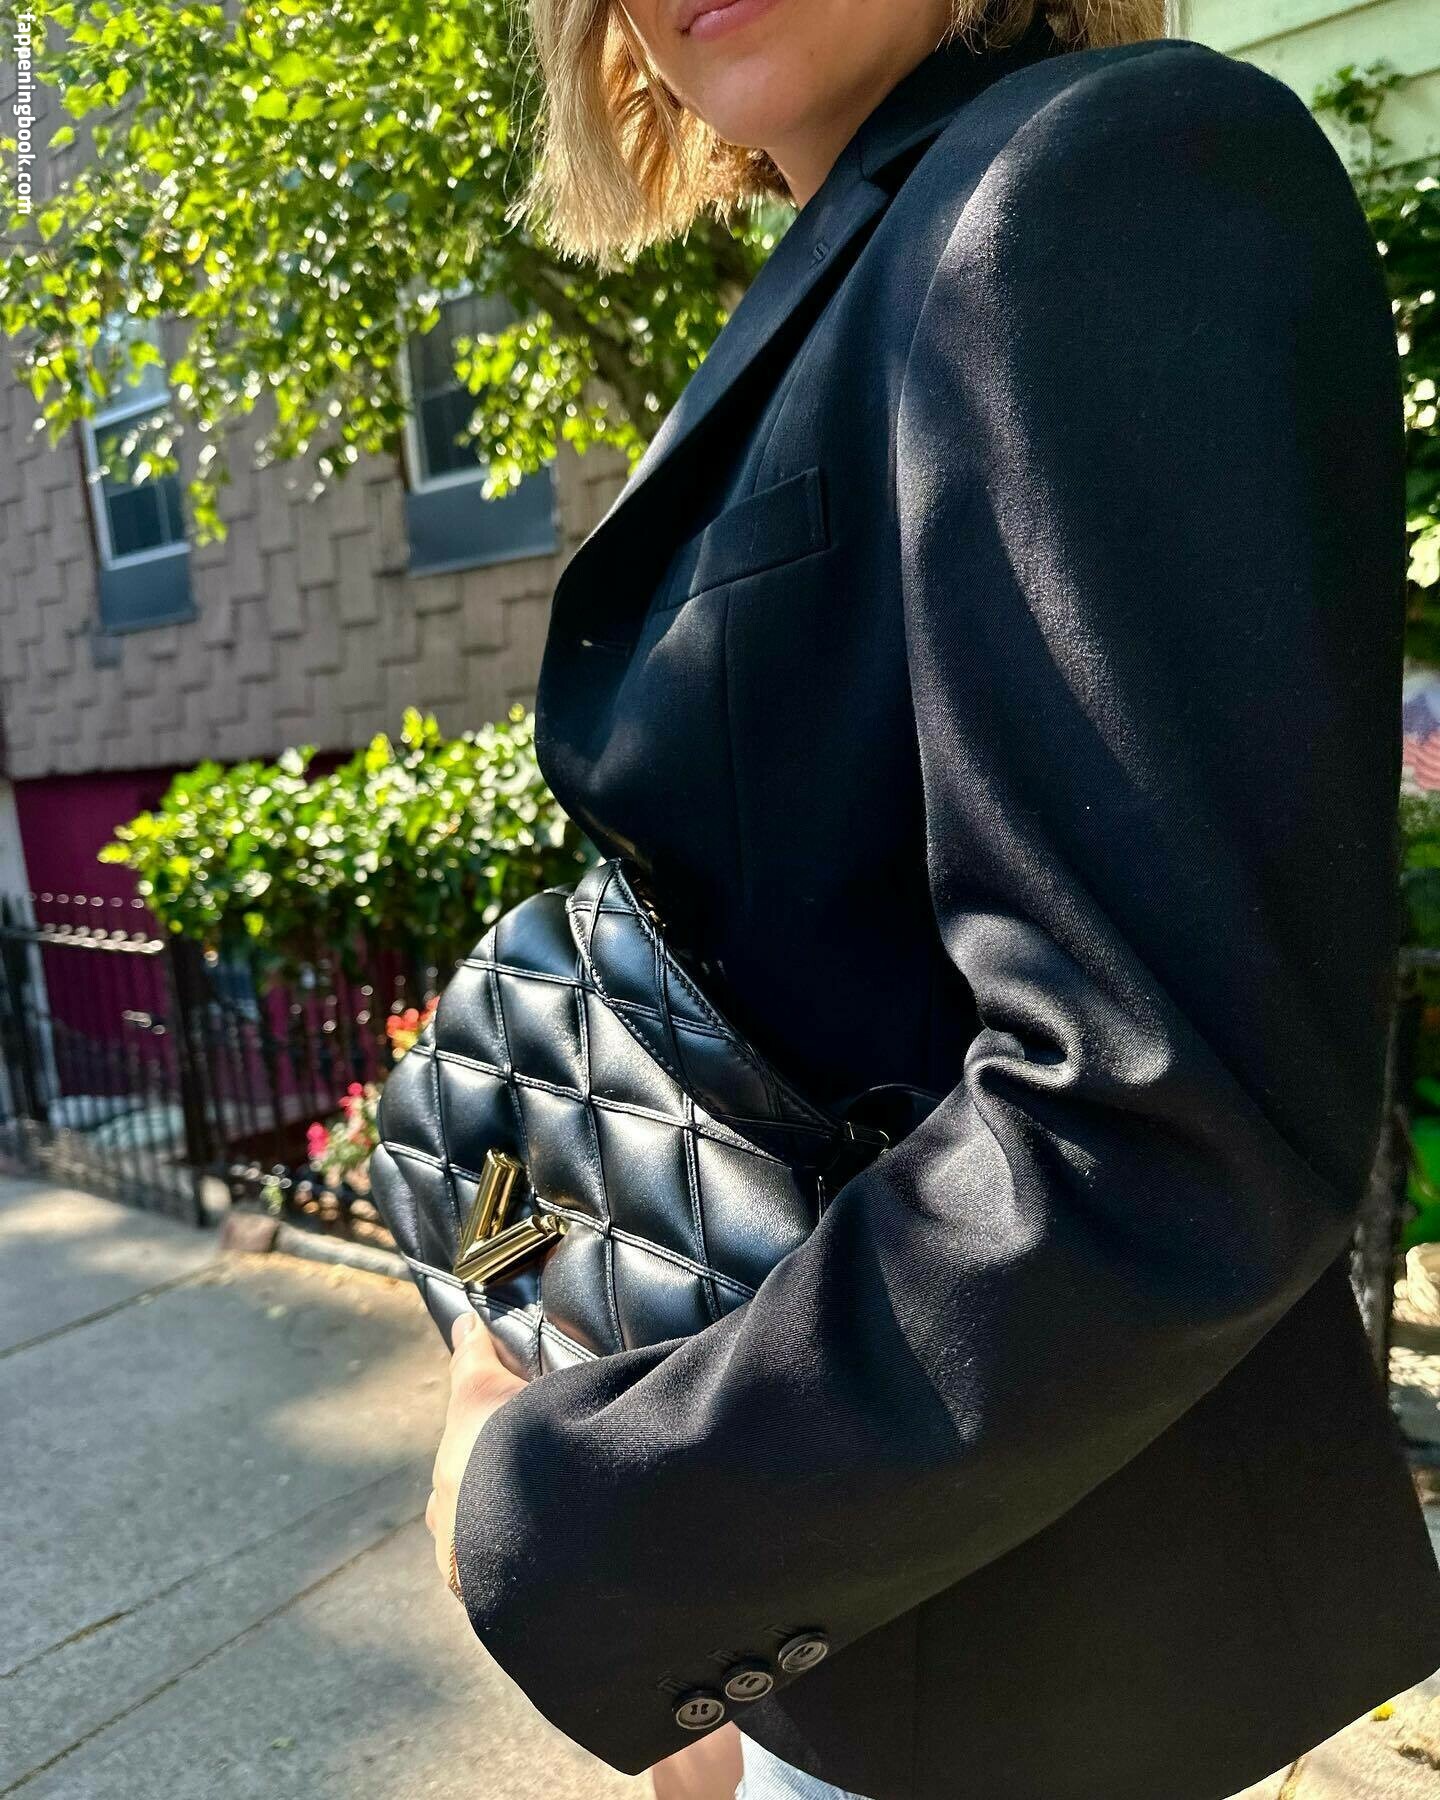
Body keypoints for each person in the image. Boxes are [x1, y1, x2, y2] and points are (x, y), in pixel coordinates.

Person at [422, 3, 1440, 1797]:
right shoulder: (853, 271)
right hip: (847, 1632)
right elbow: (663, 1032)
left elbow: (1160, 1126)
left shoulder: (1104, 180)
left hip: (1025, 1665)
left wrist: (582, 1529)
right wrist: (509, 1345)